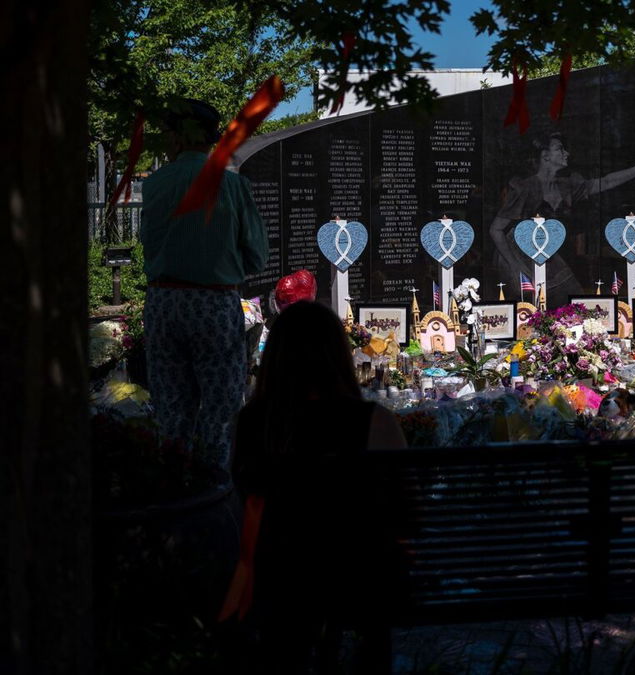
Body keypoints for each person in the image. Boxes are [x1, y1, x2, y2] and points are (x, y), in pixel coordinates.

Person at [229, 301, 406, 671]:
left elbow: (244, 499)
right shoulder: (376, 422)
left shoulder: (252, 422)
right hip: (357, 578)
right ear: (338, 356)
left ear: (275, 357)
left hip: (280, 579)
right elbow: (404, 510)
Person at [140, 98, 268, 469]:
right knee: (220, 409)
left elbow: (148, 241)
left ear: (179, 137)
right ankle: (214, 493)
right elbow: (257, 255)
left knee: (171, 407)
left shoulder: (155, 185)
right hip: (214, 302)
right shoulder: (233, 186)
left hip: (163, 302)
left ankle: (175, 485)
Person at [489, 133, 635, 303]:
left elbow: (607, 181)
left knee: (570, 295)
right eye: (560, 149)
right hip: (516, 253)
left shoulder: (567, 186)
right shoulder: (525, 188)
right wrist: (516, 267)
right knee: (530, 302)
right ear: (545, 157)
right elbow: (496, 230)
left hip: (544, 249)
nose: (566, 153)